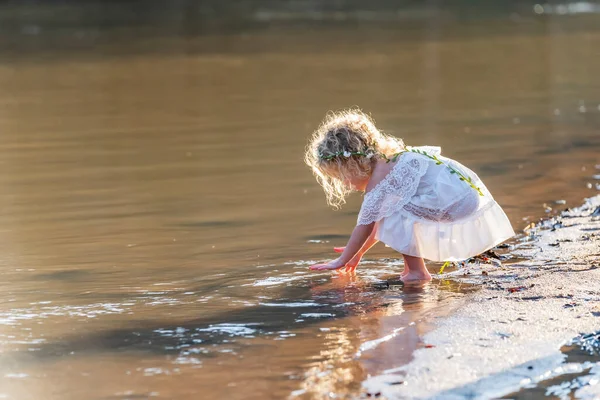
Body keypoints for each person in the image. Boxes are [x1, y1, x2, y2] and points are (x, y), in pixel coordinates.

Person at [304, 109, 515, 282]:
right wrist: (358, 252)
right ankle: (412, 270)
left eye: (342, 177)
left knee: (395, 210)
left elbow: (366, 223)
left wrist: (341, 260)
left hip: (453, 200)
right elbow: (377, 223)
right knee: (393, 208)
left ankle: (417, 272)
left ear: (352, 164)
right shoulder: (390, 160)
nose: (345, 184)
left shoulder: (381, 177)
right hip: (460, 194)